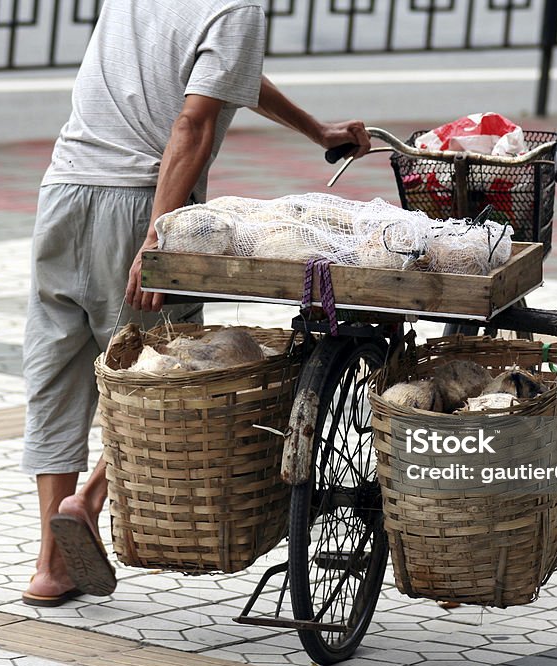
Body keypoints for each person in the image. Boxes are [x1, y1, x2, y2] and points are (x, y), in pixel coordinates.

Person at [21, 0, 370, 606]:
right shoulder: (237, 9)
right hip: (138, 199)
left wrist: (316, 130)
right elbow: (194, 123)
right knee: (162, 374)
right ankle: (90, 500)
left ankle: (50, 568)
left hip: (64, 190)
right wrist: (158, 237)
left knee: (59, 367)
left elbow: (221, 79)